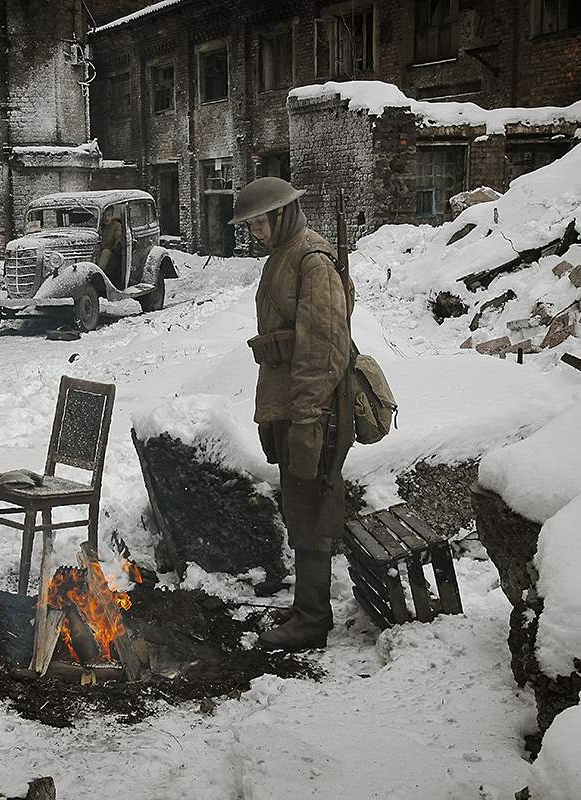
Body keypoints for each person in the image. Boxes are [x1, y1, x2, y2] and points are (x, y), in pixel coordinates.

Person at [230, 177, 355, 651]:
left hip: (310, 407)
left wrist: (308, 419)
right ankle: (307, 608)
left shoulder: (312, 259)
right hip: (288, 405)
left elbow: (322, 349)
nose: (256, 230)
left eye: (260, 220)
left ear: (282, 214)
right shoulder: (284, 256)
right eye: (250, 224)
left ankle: (311, 620)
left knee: (312, 504)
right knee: (299, 503)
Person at [97, 206, 124, 286]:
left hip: (112, 257)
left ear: (112, 216)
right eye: (104, 216)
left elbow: (119, 237)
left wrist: (118, 243)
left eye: (109, 215)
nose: (107, 218)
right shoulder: (98, 227)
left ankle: (98, 274)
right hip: (97, 254)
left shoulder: (116, 226)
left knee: (106, 252)